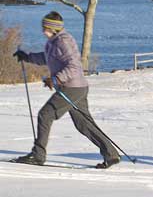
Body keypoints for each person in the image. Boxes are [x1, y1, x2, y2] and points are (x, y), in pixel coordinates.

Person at [12, 11, 120, 169]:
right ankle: (111, 154)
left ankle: (38, 155)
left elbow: (75, 66)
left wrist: (56, 79)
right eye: (43, 27)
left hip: (72, 88)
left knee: (45, 114)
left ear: (54, 28)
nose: (43, 30)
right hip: (77, 87)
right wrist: (27, 57)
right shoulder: (54, 42)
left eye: (46, 27)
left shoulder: (63, 41)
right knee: (84, 124)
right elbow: (47, 58)